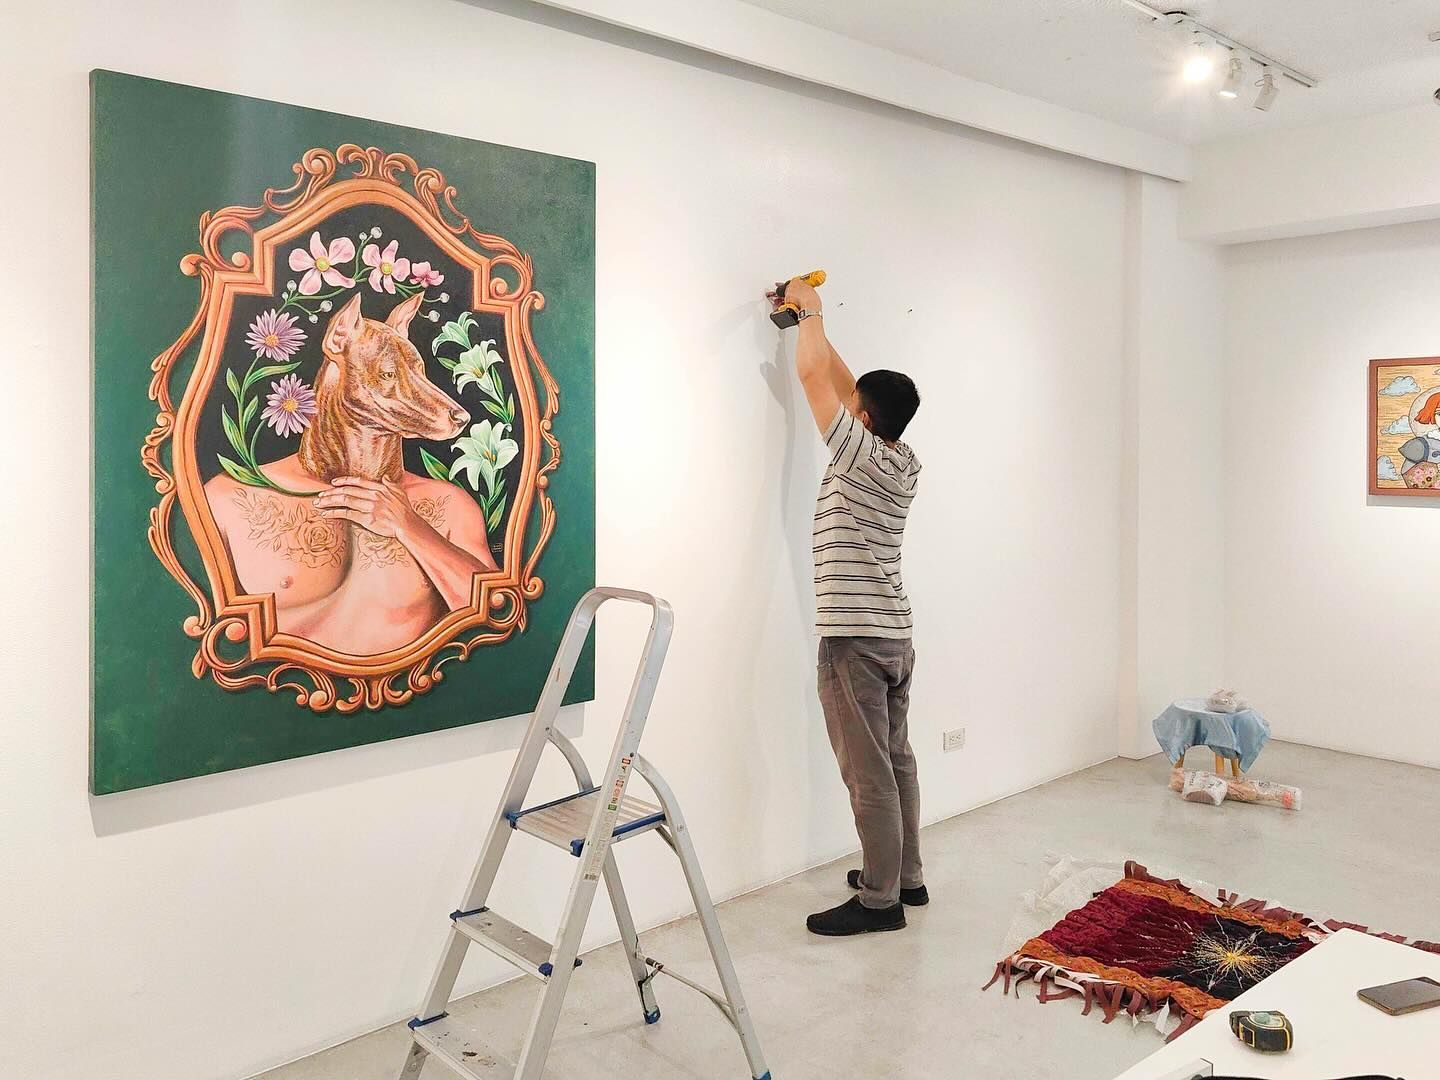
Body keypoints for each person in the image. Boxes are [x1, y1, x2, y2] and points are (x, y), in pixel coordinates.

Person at [770, 276, 927, 937]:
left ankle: (879, 902)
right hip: (892, 637)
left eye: (855, 405)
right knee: (895, 760)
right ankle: (907, 878)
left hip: (854, 642)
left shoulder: (856, 454)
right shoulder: (902, 456)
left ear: (862, 420)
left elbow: (815, 378)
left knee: (869, 777)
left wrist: (811, 310)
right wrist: (811, 322)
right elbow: (841, 379)